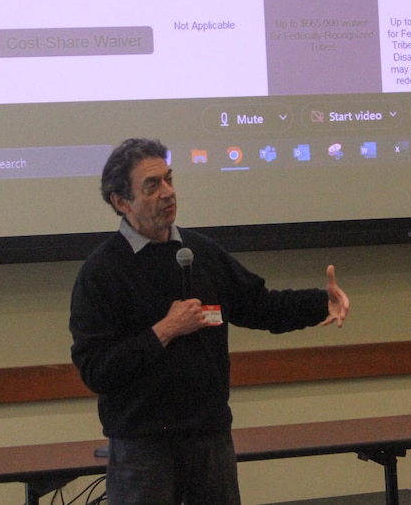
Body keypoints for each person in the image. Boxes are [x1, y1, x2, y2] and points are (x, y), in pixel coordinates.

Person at [70, 138, 349, 505]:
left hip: (209, 437)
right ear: (122, 203)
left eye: (169, 180)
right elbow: (96, 369)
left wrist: (319, 303)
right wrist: (164, 330)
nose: (168, 193)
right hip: (143, 447)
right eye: (152, 186)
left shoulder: (201, 253)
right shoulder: (102, 272)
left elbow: (259, 306)